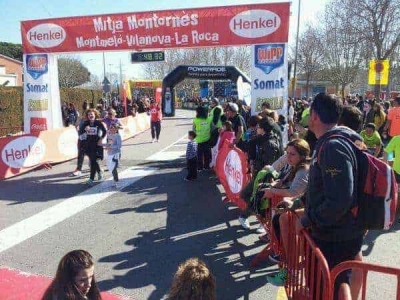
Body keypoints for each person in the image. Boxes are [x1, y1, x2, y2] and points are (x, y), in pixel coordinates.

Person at [297, 93, 365, 299]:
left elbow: (340, 198)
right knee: (337, 281)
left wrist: (309, 219)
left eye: (309, 113)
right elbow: (324, 187)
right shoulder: (333, 141)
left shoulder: (333, 146)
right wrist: (300, 203)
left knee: (333, 284)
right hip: (340, 229)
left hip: (334, 233)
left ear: (315, 116)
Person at [263, 139, 310, 285]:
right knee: (281, 218)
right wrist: (276, 185)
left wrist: (272, 191)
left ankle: (291, 270)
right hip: (302, 208)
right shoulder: (295, 165)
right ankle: (287, 262)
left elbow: (295, 191)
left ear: (302, 155)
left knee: (283, 219)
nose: (288, 157)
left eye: (292, 154)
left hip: (313, 217)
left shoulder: (304, 169)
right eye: (287, 153)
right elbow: (287, 182)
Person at [238, 117, 282, 230]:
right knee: (246, 195)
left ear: (262, 129)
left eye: (258, 127)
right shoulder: (262, 139)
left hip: (265, 177)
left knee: (259, 199)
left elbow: (269, 163)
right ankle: (260, 216)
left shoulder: (269, 143)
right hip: (259, 174)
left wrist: (264, 173)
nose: (256, 129)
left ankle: (256, 218)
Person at [79, 109, 107, 187]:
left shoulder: (98, 123)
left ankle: (91, 179)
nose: (90, 115)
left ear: (95, 115)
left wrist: (101, 139)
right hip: (88, 145)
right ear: (87, 116)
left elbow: (104, 131)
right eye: (89, 115)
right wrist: (84, 130)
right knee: (93, 161)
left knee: (93, 161)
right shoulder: (85, 123)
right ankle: (99, 171)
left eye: (92, 114)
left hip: (97, 144)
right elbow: (80, 133)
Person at [193, 106, 211, 171]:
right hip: (207, 139)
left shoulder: (195, 120)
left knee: (199, 155)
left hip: (199, 140)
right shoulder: (209, 119)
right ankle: (206, 166)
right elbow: (213, 128)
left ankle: (200, 167)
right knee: (207, 154)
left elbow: (193, 130)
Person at [105, 123, 122, 188]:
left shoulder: (117, 136)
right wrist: (104, 146)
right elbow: (109, 144)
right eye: (110, 127)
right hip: (110, 153)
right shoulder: (108, 135)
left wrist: (111, 147)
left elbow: (119, 146)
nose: (111, 129)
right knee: (111, 168)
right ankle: (115, 181)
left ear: (116, 129)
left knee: (114, 168)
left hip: (116, 154)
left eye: (113, 128)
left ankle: (116, 181)